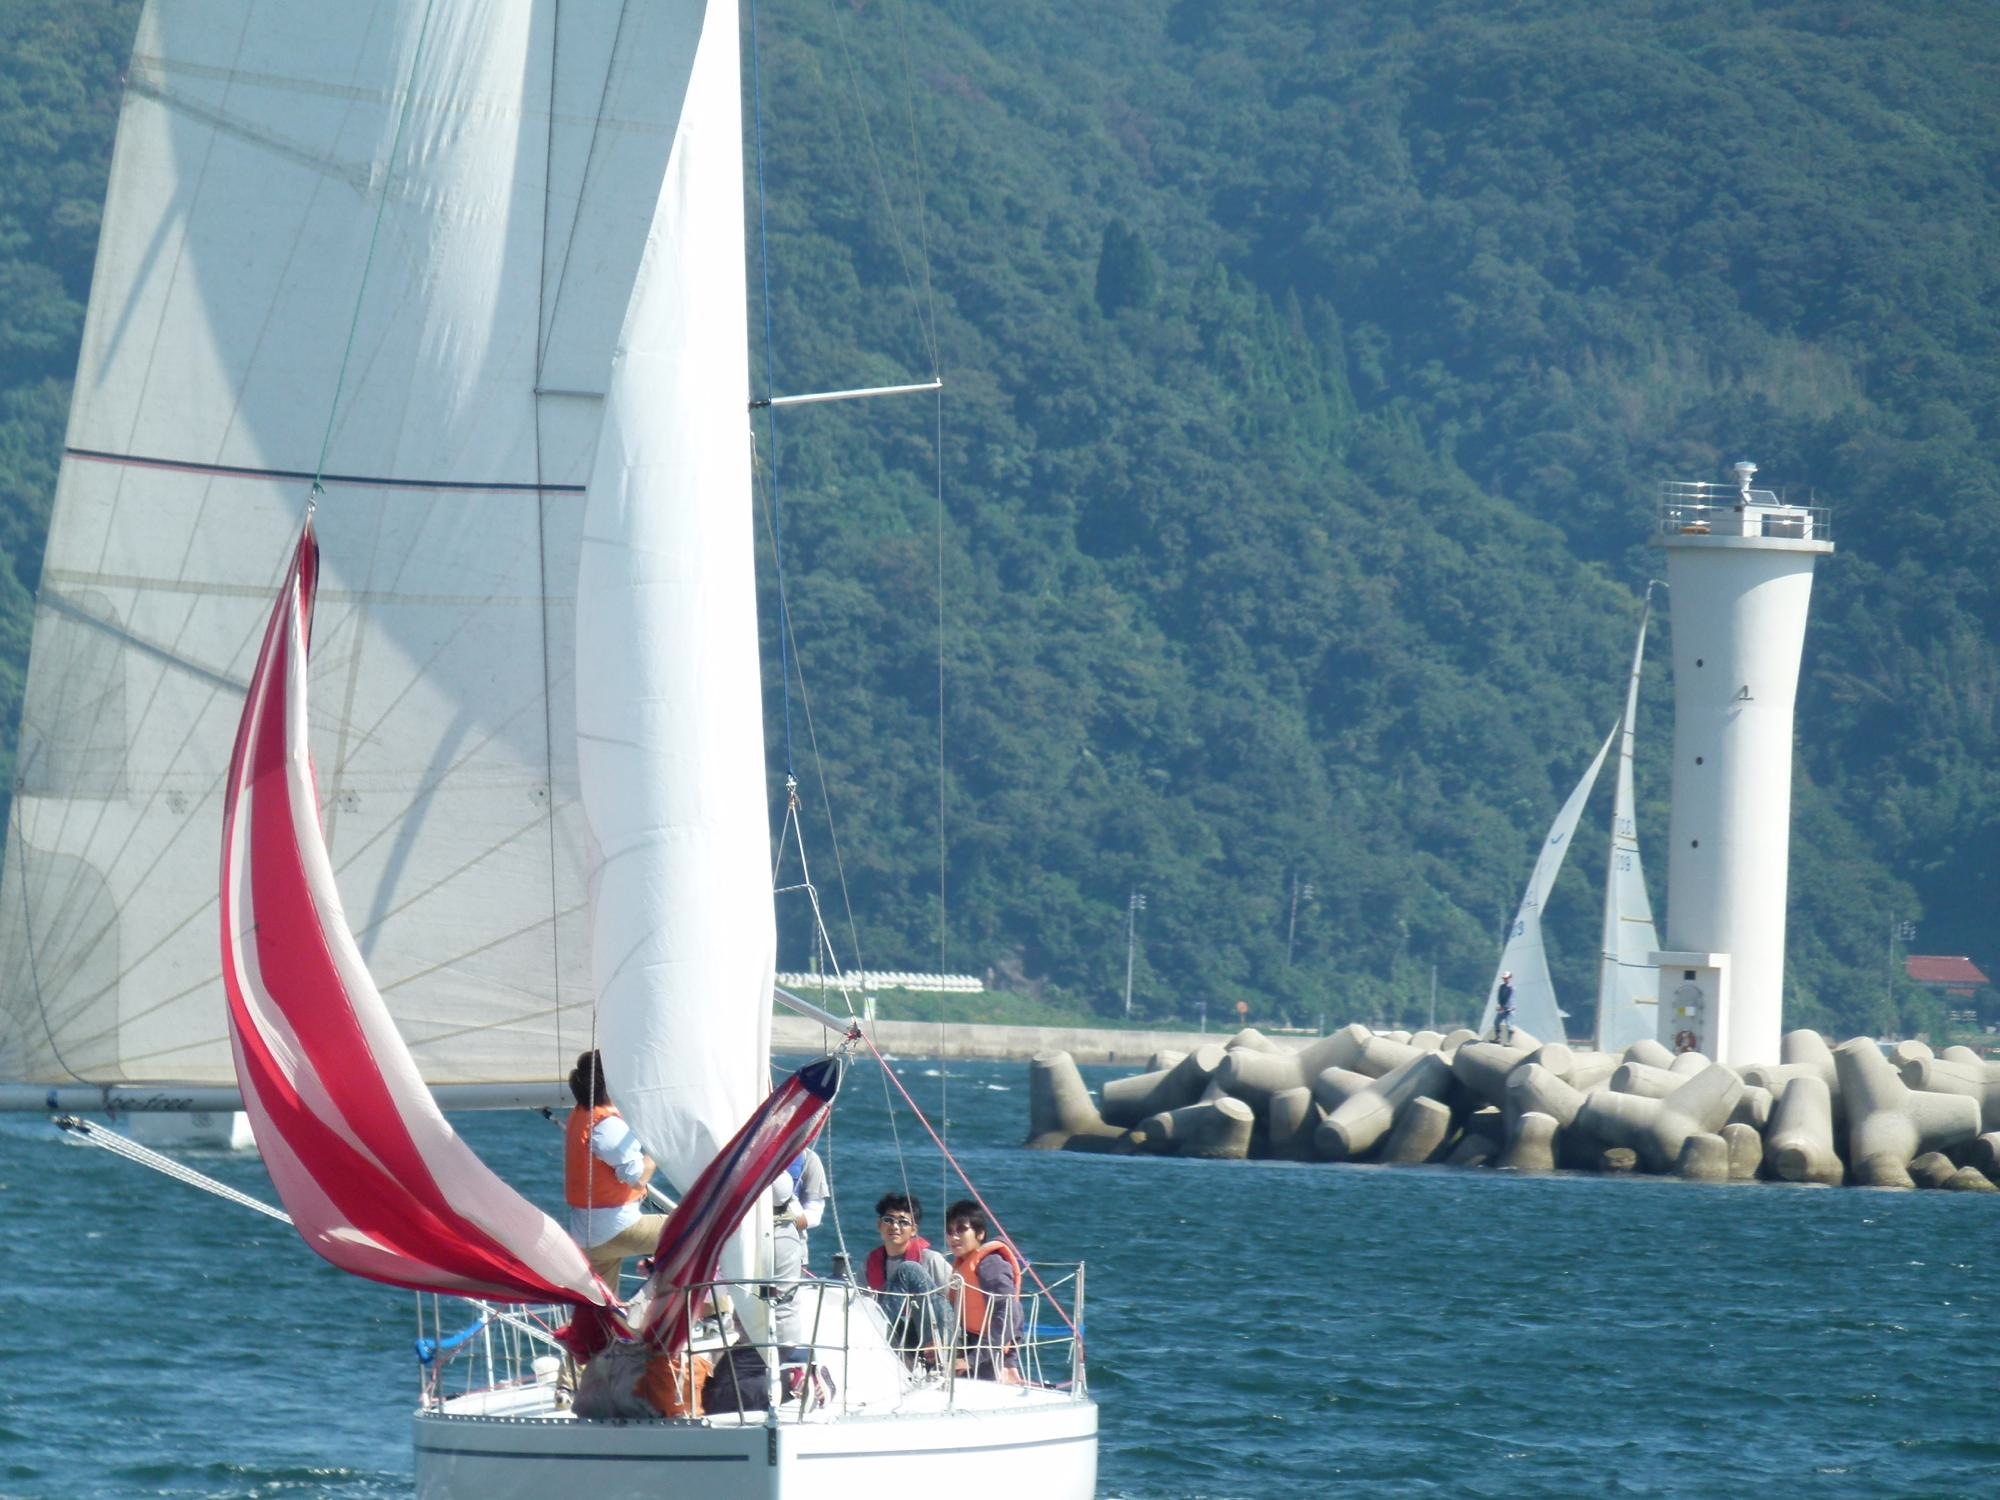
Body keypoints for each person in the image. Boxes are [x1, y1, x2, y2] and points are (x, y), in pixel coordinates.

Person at [564, 1049, 669, 1292]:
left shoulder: (583, 1115)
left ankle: (601, 1323)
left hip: (588, 1235)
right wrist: (657, 1150)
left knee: (601, 1303)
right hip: (617, 1228)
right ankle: (707, 1308)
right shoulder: (607, 1126)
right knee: (697, 1230)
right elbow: (637, 1178)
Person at [864, 1191, 951, 1365]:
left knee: (909, 1270)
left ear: (914, 1230)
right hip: (901, 1335)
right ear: (879, 1224)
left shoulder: (931, 1260)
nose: (895, 1226)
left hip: (937, 1334)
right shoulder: (870, 1263)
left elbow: (954, 1301)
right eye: (888, 1220)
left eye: (903, 1222)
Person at [943, 1200, 1022, 1384]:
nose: (954, 1237)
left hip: (988, 1351)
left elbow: (1008, 1313)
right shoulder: (963, 1264)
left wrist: (972, 1359)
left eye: (961, 1230)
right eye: (950, 1231)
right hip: (968, 1341)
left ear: (980, 1233)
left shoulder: (990, 1264)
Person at [1493, 972, 1515, 1046]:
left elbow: (1510, 999)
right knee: (1496, 1022)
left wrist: (1506, 1008)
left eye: (1506, 978)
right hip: (1502, 1008)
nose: (1505, 979)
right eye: (1504, 978)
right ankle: (1498, 1038)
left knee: (1509, 1025)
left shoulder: (1511, 988)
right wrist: (1499, 1005)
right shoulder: (1501, 987)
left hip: (1509, 1009)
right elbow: (1499, 997)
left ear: (1510, 978)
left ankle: (1509, 1041)